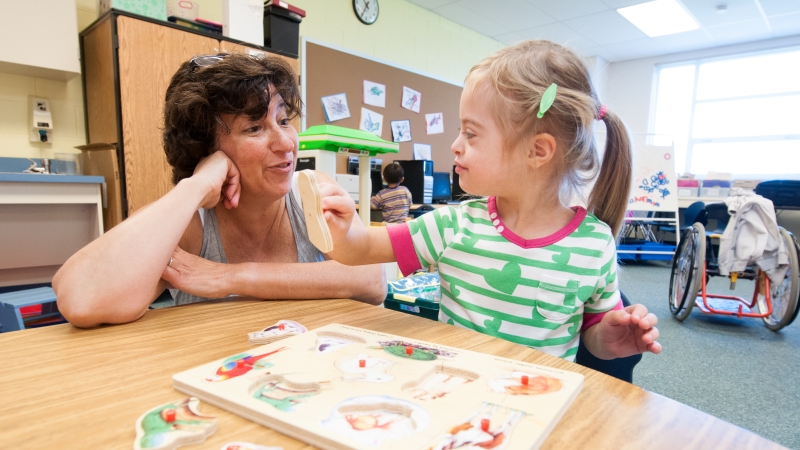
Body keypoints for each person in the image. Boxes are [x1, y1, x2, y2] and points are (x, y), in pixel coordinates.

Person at [317, 40, 661, 361]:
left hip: (537, 409)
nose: (455, 145)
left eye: (470, 133)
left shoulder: (595, 244)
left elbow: (592, 332)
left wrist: (609, 340)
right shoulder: (453, 225)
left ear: (537, 151)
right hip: (456, 398)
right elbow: (359, 249)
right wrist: (340, 225)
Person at [53, 53, 386, 328]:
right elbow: (83, 298)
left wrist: (231, 277)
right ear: (205, 148)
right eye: (254, 128)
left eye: (283, 121)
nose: (286, 143)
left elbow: (372, 279)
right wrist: (196, 186)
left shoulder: (312, 192)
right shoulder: (191, 226)